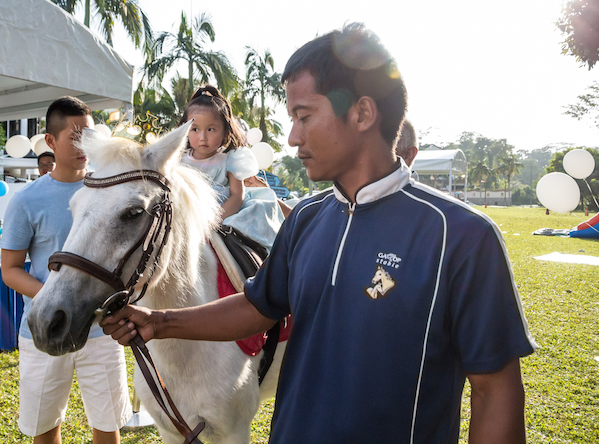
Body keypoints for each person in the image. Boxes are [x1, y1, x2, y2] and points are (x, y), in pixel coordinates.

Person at [103, 23, 536, 443]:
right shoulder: (305, 219)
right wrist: (158, 322)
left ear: (363, 112)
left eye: (303, 116)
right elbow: (258, 307)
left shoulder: (461, 236)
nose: (292, 137)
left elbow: (495, 390)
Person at [0, 96, 131, 444]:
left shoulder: (111, 191)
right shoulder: (27, 200)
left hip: (102, 332)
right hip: (45, 330)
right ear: (50, 141)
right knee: (45, 428)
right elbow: (10, 270)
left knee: (107, 426)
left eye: (88, 135)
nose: (83, 145)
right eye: (73, 136)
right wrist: (58, 301)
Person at [178, 86, 284, 249]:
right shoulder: (180, 161)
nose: (202, 137)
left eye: (211, 129)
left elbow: (237, 195)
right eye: (195, 129)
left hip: (224, 214)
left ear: (225, 131)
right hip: (189, 218)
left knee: (246, 226)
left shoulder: (230, 159)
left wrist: (212, 222)